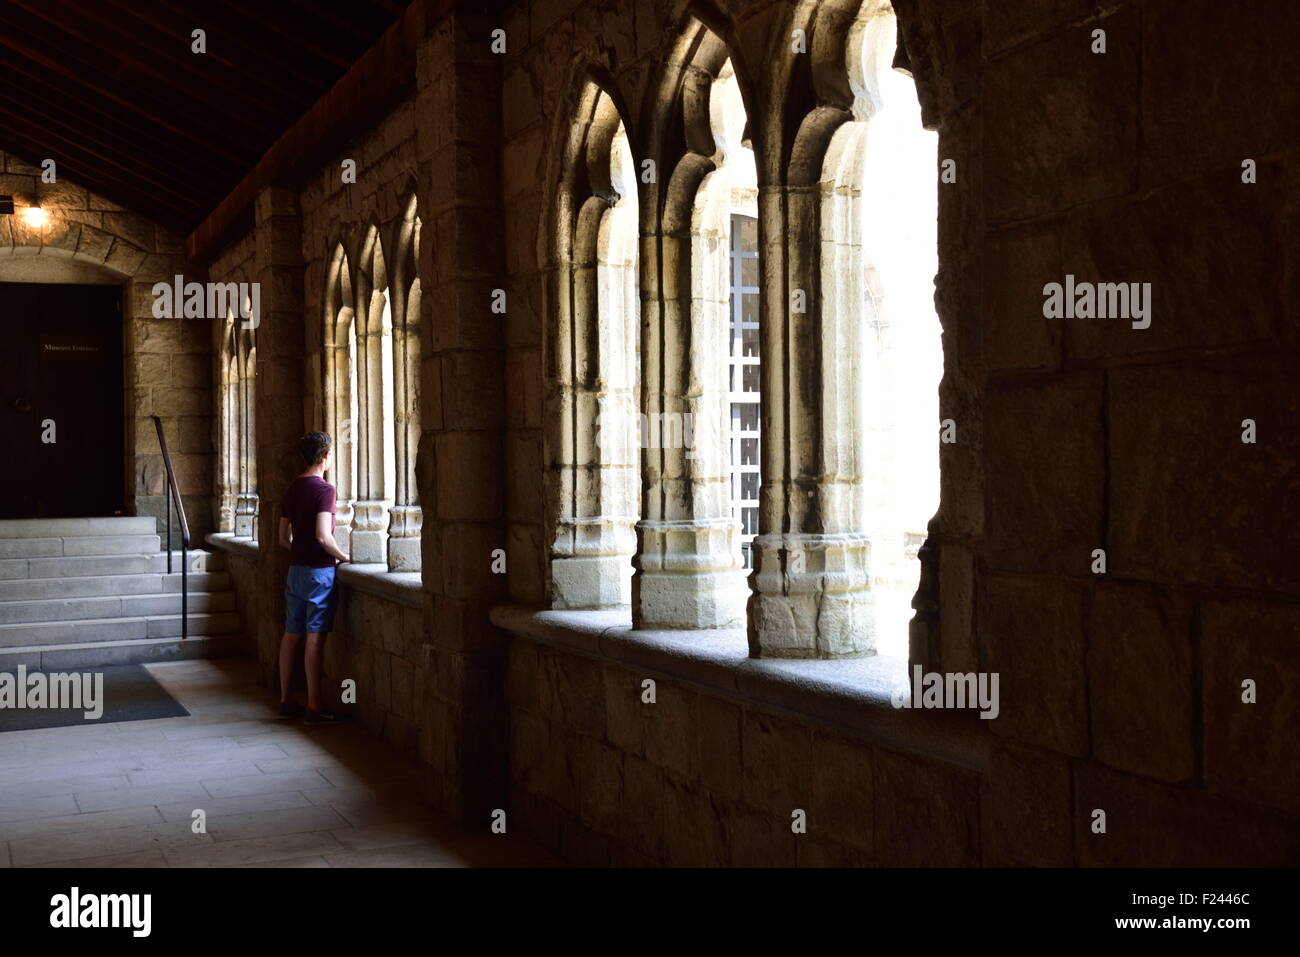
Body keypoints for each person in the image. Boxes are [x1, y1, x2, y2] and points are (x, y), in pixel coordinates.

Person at [277, 431, 349, 723]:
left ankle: (285, 700)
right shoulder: (325, 490)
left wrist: (300, 550)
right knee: (314, 637)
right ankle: (314, 706)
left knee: (291, 634)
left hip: (295, 571)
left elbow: (283, 538)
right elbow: (323, 536)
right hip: (320, 572)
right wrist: (344, 557)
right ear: (327, 456)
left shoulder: (292, 488)